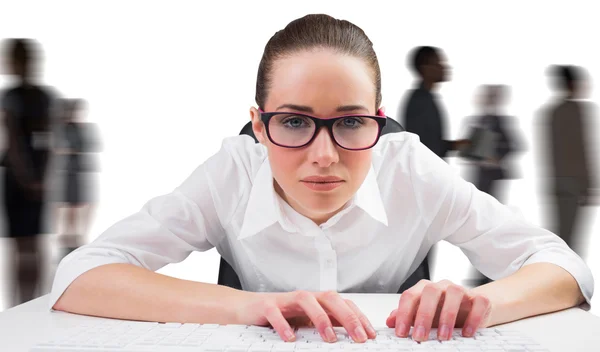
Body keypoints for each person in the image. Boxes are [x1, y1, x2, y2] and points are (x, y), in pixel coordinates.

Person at [50, 15, 592, 344]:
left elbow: (564, 267)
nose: (324, 156)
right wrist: (249, 306)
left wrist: (485, 303)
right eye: (293, 122)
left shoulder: (412, 169)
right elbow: (80, 275)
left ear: (378, 120)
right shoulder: (232, 172)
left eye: (352, 122)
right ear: (259, 125)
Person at [398, 46, 469, 287]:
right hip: (423, 184)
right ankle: (417, 292)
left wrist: (452, 145)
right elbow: (421, 147)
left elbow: (429, 143)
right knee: (420, 246)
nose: (444, 67)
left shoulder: (426, 98)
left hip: (428, 182)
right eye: (438, 62)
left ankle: (420, 290)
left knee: (425, 244)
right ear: (425, 68)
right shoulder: (420, 101)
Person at [1, 38, 56, 306]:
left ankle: (21, 304)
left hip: (20, 179)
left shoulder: (12, 97)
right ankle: (31, 301)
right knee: (32, 243)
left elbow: (13, 142)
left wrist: (26, 178)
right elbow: (46, 141)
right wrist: (41, 177)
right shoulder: (43, 97)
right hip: (37, 178)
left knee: (24, 245)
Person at [460, 84, 521, 286]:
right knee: (478, 225)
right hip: (479, 177)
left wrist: (497, 156)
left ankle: (490, 273)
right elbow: (465, 149)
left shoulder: (501, 122)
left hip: (493, 178)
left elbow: (514, 145)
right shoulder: (476, 121)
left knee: (492, 224)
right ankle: (481, 272)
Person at [539, 65, 597, 258]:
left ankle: (558, 275)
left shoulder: (552, 112)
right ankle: (567, 278)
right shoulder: (577, 110)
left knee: (562, 234)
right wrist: (589, 183)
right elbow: (581, 148)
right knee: (570, 236)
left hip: (558, 179)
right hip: (574, 180)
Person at [53, 98, 100, 261]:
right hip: (64, 173)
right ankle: (66, 241)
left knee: (83, 206)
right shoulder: (58, 129)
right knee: (65, 209)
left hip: (81, 172)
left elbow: (93, 145)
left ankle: (78, 241)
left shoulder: (84, 128)